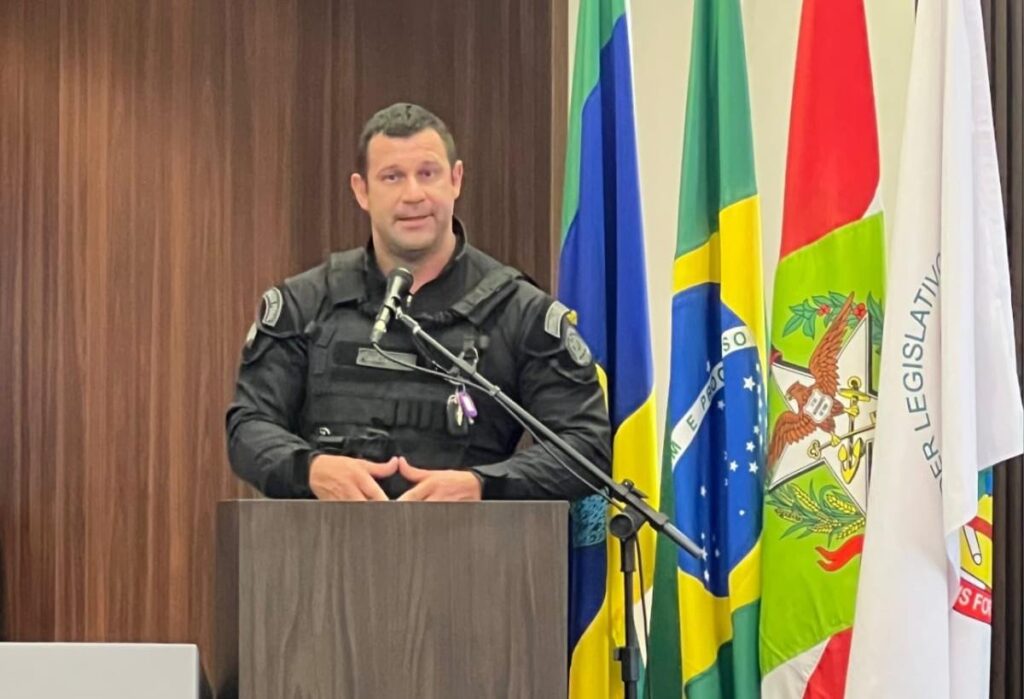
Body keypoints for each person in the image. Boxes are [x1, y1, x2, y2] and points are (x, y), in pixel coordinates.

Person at [226, 103, 611, 502]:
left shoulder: (518, 311)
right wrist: (310, 469)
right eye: (392, 177)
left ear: (456, 180)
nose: (413, 195)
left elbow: (586, 446)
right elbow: (249, 428)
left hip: (474, 539)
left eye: (428, 174)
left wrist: (482, 485)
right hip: (322, 539)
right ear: (362, 191)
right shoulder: (304, 304)